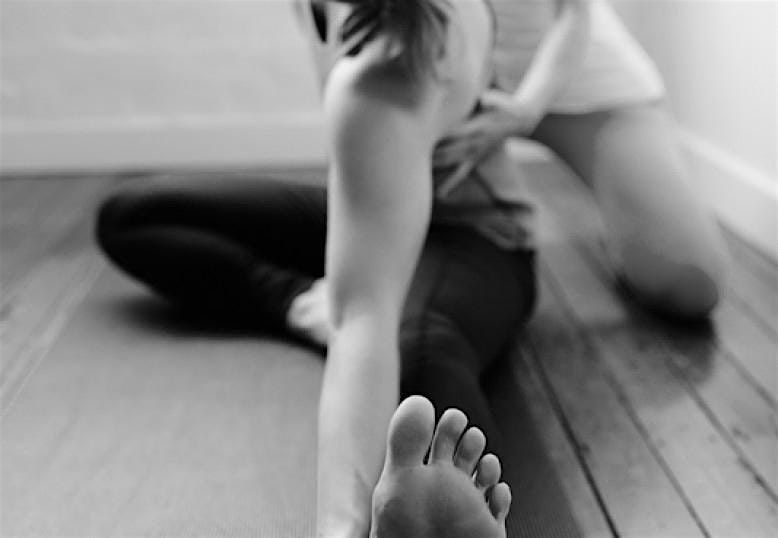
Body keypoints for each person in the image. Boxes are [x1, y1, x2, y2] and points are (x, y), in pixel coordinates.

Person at [96, 0, 725, 536]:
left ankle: (459, 513)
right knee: (135, 215)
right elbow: (361, 294)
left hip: (473, 230)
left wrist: (341, 527)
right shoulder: (367, 65)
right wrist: (333, 305)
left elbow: (365, 319)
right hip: (382, 201)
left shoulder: (394, 72)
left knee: (418, 350)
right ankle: (302, 303)